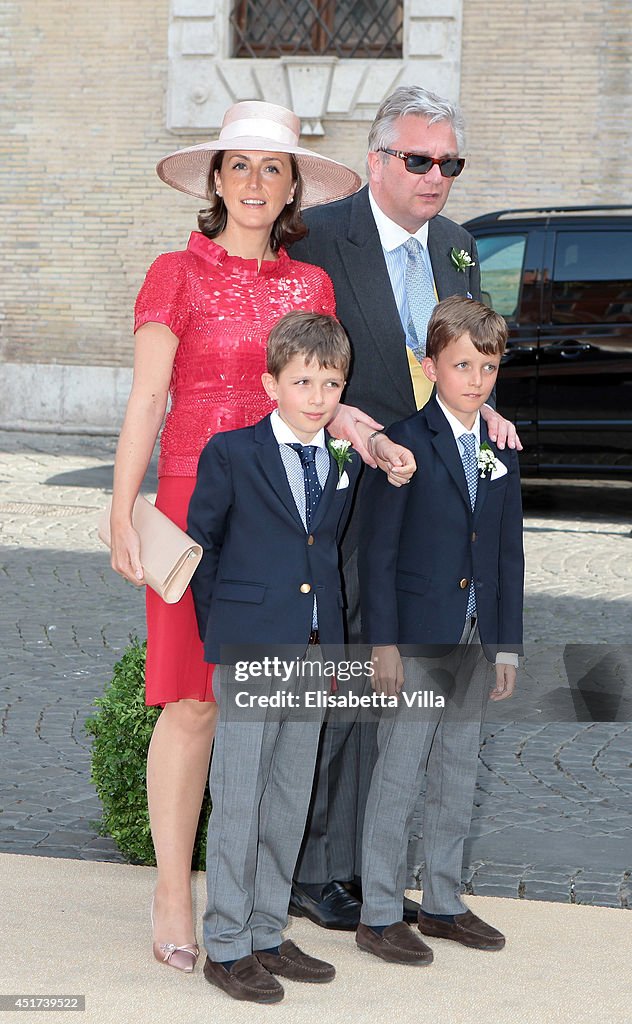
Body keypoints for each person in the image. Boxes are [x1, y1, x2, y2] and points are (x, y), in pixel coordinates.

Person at [108, 100, 366, 970]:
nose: (256, 182)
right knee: (191, 701)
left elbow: (320, 396)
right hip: (188, 502)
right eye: (240, 165)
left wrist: (371, 436)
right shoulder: (171, 274)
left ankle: (253, 907)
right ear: (215, 180)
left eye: (273, 167)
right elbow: (149, 398)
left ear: (293, 185)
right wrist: (121, 507)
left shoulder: (312, 287)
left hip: (281, 516)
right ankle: (174, 887)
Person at [289, 85, 522, 929]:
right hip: (355, 497)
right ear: (377, 160)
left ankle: (392, 871)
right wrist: (351, 424)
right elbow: (298, 366)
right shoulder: (318, 237)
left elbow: (468, 352)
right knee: (357, 676)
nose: (436, 178)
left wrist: (486, 407)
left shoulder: (458, 245)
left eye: (449, 163)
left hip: (442, 504)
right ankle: (323, 871)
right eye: (419, 160)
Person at [186, 311, 362, 1003]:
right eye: (303, 381)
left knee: (290, 797)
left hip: (317, 649)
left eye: (331, 383)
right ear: (272, 383)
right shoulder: (232, 454)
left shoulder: (338, 460)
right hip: (255, 647)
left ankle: (264, 929)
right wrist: (230, 638)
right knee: (239, 798)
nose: (317, 396)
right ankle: (226, 944)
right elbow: (205, 553)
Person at [356, 295, 524, 964]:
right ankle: (377, 910)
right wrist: (384, 644)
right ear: (431, 366)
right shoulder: (404, 442)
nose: (476, 380)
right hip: (418, 636)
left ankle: (445, 901)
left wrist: (506, 643)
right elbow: (379, 555)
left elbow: (507, 552)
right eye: (462, 366)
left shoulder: (502, 448)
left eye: (488, 367)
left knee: (458, 772)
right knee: (399, 771)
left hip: (474, 639)